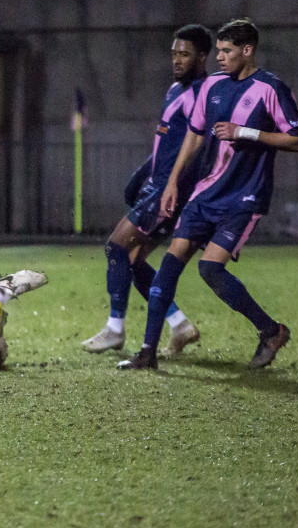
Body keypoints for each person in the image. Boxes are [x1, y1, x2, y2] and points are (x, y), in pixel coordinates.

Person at [119, 19, 298, 370]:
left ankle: (270, 331)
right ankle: (147, 352)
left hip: (245, 197)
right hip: (206, 194)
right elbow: (193, 135)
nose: (219, 57)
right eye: (217, 50)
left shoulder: (271, 88)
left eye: (226, 51)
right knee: (169, 266)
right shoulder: (212, 86)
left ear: (247, 50)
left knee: (210, 269)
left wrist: (247, 132)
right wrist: (173, 182)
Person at [81, 25, 213, 357]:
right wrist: (141, 173)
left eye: (185, 54)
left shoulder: (202, 94)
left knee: (116, 249)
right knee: (134, 259)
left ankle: (114, 329)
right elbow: (166, 144)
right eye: (174, 54)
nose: (177, 60)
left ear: (202, 56)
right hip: (157, 186)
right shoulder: (174, 89)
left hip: (168, 192)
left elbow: (194, 149)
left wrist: (174, 188)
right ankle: (180, 325)